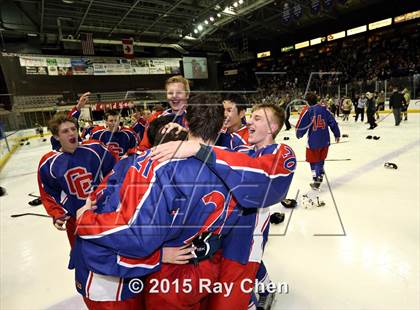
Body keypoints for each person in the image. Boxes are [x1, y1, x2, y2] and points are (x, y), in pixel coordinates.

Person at [76, 94, 296, 309]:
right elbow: (243, 167)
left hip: (190, 263)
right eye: (251, 116)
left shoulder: (268, 155)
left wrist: (85, 221)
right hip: (208, 259)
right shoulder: (233, 159)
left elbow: (135, 237)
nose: (249, 121)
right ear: (222, 127)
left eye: (258, 118)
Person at [37, 113, 116, 248]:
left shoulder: (96, 148)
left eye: (73, 129)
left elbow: (116, 172)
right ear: (56, 137)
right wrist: (57, 213)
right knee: (84, 261)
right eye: (65, 131)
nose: (72, 133)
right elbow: (48, 193)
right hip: (77, 220)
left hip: (105, 214)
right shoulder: (48, 163)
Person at [296, 93, 340, 190]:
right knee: (321, 158)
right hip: (325, 140)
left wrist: (299, 134)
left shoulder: (307, 110)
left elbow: (301, 124)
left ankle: (316, 179)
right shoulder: (324, 108)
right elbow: (332, 121)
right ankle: (320, 174)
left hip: (313, 141)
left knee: (312, 160)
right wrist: (337, 134)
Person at [139, 75, 189, 149]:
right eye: (170, 93)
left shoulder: (197, 118)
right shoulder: (155, 119)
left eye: (179, 92)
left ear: (187, 95)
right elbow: (144, 147)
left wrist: (186, 134)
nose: (174, 96)